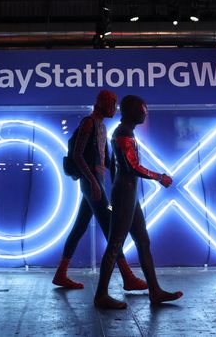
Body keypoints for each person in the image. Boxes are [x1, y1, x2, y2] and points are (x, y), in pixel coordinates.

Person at [52, 90, 147, 291]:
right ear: (102, 103)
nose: (115, 107)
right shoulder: (89, 123)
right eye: (112, 103)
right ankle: (127, 276)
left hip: (97, 182)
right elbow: (77, 155)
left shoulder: (102, 127)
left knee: (80, 227)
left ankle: (61, 273)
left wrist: (105, 183)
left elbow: (104, 160)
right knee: (109, 226)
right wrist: (94, 182)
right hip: (92, 183)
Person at [94, 95, 183, 309]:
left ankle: (155, 291)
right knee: (116, 244)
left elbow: (117, 167)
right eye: (143, 108)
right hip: (125, 194)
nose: (146, 112)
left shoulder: (125, 132)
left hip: (127, 194)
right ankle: (101, 295)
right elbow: (131, 166)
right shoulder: (123, 133)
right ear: (133, 110)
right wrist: (159, 177)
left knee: (142, 242)